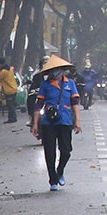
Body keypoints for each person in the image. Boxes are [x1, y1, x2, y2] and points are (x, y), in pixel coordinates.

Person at [34, 56, 83, 190]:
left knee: (66, 151)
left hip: (65, 121)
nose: (54, 72)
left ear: (62, 70)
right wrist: (35, 123)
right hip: (48, 123)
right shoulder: (45, 85)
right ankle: (53, 180)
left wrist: (78, 121)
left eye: (57, 69)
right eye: (52, 70)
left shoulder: (70, 83)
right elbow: (38, 105)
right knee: (49, 152)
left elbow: (75, 104)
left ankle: (60, 170)